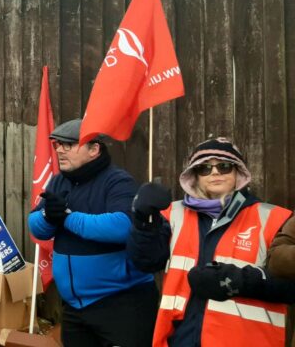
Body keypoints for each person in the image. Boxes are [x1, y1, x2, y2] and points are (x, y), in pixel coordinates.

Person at [128, 137, 295, 346]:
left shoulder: (274, 218)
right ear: (194, 177)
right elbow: (146, 261)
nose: (215, 173)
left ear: (238, 173)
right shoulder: (172, 213)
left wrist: (239, 282)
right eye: (204, 168)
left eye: (224, 166)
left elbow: (290, 287)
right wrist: (144, 221)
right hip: (181, 338)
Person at [27, 118, 157, 347]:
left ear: (94, 149)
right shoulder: (58, 182)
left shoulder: (118, 181)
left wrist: (67, 218)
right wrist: (48, 216)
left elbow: (122, 226)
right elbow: (35, 226)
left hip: (120, 305)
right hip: (74, 308)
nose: (60, 150)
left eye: (70, 145)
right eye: (58, 145)